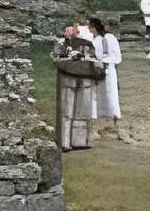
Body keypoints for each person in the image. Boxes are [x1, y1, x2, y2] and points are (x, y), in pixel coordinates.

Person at [51, 23, 97, 151]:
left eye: (74, 33)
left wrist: (85, 58)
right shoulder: (61, 44)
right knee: (66, 111)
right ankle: (65, 142)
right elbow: (56, 59)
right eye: (70, 33)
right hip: (68, 78)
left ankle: (80, 141)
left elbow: (95, 58)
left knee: (83, 111)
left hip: (85, 78)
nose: (72, 35)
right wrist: (69, 59)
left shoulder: (87, 44)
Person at [88, 15, 125, 138]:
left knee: (111, 95)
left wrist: (103, 61)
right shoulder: (95, 39)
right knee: (95, 95)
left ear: (95, 27)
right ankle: (96, 124)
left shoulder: (109, 38)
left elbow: (117, 58)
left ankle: (114, 123)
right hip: (96, 70)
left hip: (108, 70)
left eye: (91, 27)